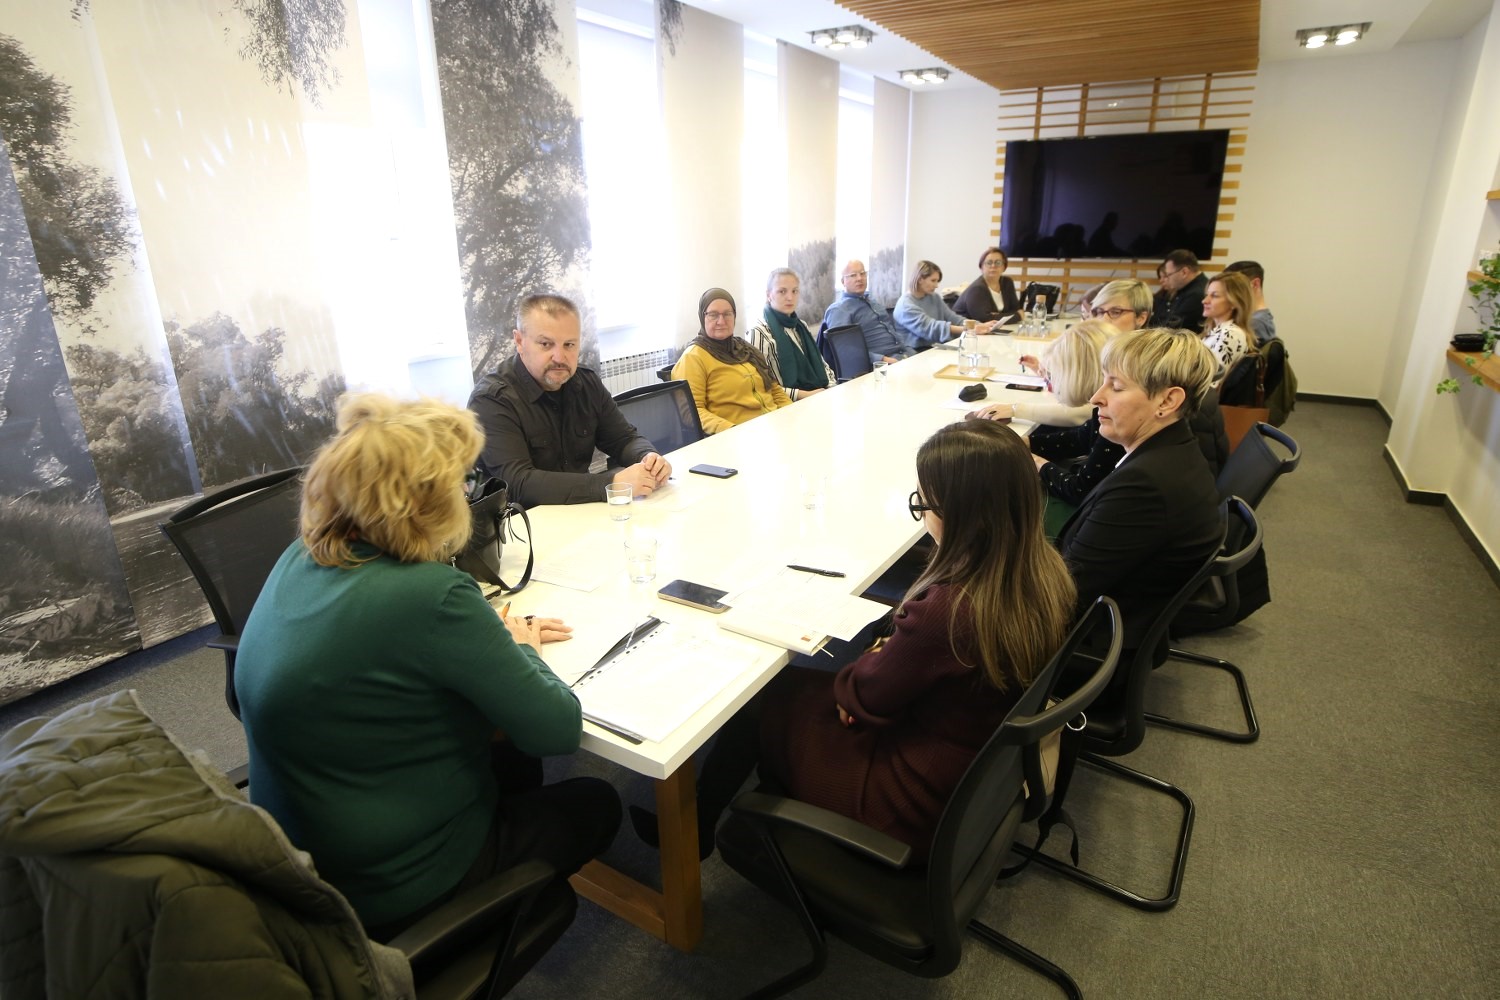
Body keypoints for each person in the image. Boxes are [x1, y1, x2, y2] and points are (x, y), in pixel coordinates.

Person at [235, 395, 622, 938]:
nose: (467, 495)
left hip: (300, 865)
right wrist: (520, 647)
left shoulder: (299, 556)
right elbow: (557, 729)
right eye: (461, 484)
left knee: (507, 751)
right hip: (394, 887)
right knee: (596, 802)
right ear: (427, 501)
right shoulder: (432, 594)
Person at [631, 420, 1076, 859]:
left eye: (924, 504)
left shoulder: (949, 610)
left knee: (761, 694)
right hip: (963, 769)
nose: (923, 514)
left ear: (957, 514)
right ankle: (751, 797)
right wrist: (882, 660)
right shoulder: (1044, 570)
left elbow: (862, 697)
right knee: (802, 684)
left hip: (910, 803)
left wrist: (866, 675)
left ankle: (699, 830)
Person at [1058, 328, 1223, 653]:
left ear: (1167, 401)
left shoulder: (1145, 486)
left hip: (1087, 643)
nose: (1096, 397)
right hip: (1116, 616)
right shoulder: (1174, 450)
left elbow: (1066, 592)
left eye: (1116, 386)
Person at [469, 293, 671, 507]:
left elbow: (624, 439)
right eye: (546, 344)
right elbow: (518, 483)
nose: (559, 357)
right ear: (519, 341)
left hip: (579, 511)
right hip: (520, 520)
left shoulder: (586, 383)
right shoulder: (491, 400)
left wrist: (648, 458)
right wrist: (611, 483)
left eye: (569, 345)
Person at [969, 322, 1123, 509]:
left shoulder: (1116, 423)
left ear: (1078, 374)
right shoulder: (1105, 410)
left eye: (1054, 374)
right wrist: (1022, 442)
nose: (1052, 380)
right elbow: (1079, 438)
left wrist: (1031, 459)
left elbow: (1079, 491)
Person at [672, 288, 793, 434]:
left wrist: (790, 415)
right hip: (736, 436)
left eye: (727, 314)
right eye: (713, 315)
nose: (721, 321)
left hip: (774, 427)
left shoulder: (745, 349)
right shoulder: (693, 357)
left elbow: (775, 390)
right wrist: (732, 430)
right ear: (702, 317)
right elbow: (691, 412)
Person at [745, 267, 835, 401]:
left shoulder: (801, 326)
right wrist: (803, 395)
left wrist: (832, 389)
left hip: (820, 396)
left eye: (795, 291)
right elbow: (761, 385)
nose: (790, 297)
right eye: (782, 291)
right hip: (787, 405)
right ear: (769, 295)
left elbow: (823, 366)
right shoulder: (758, 333)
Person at [823, 259, 913, 365]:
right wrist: (884, 360)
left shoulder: (873, 302)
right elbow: (846, 350)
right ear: (843, 281)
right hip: (879, 364)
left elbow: (893, 333)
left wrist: (910, 352)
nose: (859, 278)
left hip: (903, 355)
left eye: (862, 273)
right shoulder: (839, 310)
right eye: (853, 275)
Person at [894, 259, 997, 351]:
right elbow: (931, 328)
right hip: (916, 352)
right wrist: (970, 329)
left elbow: (954, 318)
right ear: (920, 279)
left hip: (936, 347)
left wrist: (981, 326)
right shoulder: (905, 306)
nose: (936, 285)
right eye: (933, 280)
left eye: (937, 281)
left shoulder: (934, 297)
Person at [1201, 271, 1256, 380]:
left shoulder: (1230, 334)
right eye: (1207, 295)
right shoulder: (1219, 330)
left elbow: (1212, 382)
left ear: (1234, 302)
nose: (1204, 301)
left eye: (1214, 296)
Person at [953, 247, 1021, 323]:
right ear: (981, 267)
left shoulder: (1007, 282)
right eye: (989, 263)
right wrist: (1018, 316)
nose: (993, 266)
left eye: (998, 263)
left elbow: (1015, 309)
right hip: (965, 328)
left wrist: (996, 316)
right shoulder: (977, 289)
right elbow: (984, 319)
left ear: (1004, 267)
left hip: (992, 328)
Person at [1149, 249, 1209, 331]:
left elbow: (1171, 328)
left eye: (1169, 275)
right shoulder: (1186, 288)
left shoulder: (1196, 294)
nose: (1168, 279)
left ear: (1184, 272)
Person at [1224, 260, 1277, 346]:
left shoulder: (1255, 323)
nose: (1228, 294)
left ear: (1255, 284)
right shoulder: (1258, 319)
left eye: (1235, 287)